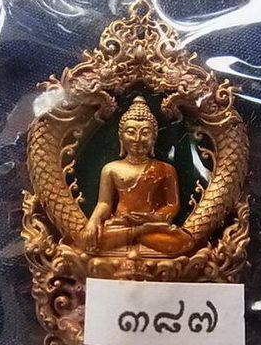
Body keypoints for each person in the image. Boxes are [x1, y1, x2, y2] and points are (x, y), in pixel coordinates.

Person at [82, 96, 192, 255]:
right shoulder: (111, 168)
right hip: (120, 224)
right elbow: (104, 203)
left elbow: (172, 205)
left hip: (152, 224)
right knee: (86, 239)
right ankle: (140, 232)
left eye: (145, 133)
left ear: (154, 137)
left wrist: (152, 218)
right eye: (131, 132)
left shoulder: (166, 169)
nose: (137, 139)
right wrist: (93, 221)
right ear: (121, 137)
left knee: (185, 241)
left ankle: (137, 233)